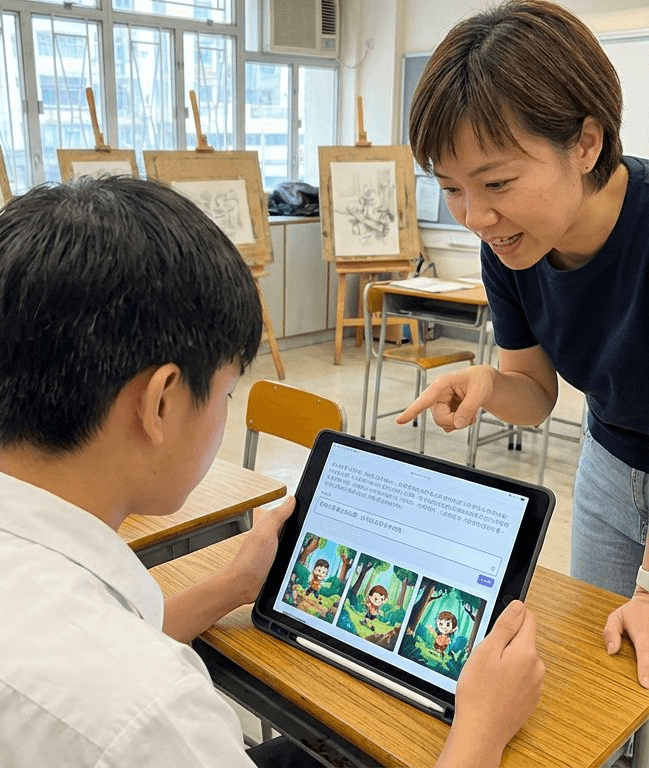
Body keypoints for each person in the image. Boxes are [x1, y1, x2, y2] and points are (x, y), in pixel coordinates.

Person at [0, 175, 543, 768]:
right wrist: (482, 729)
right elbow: (123, 683)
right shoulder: (153, 714)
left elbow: (116, 637)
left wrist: (237, 583)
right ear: (161, 404)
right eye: (228, 393)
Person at [398, 0, 649, 687]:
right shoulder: (509, 246)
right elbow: (535, 395)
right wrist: (489, 385)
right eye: (451, 189)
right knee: (599, 670)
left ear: (586, 144)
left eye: (497, 183)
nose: (476, 216)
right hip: (609, 463)